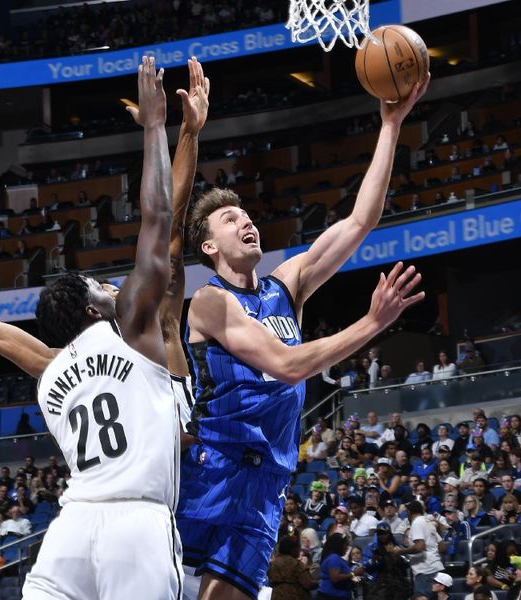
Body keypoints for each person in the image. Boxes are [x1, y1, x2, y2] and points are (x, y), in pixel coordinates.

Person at [0, 56, 182, 600]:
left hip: (73, 525)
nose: (111, 288)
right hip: (139, 520)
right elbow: (157, 220)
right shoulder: (130, 328)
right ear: (91, 310)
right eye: (101, 288)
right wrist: (156, 128)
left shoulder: (51, 365)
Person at [178, 74, 430, 599]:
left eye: (247, 215)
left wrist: (390, 126)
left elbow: (361, 220)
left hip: (266, 487)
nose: (246, 221)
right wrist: (371, 324)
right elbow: (285, 364)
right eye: (230, 219)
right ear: (209, 248)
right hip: (211, 477)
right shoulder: (209, 302)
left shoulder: (286, 285)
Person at [318, 533, 363, 599]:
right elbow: (335, 578)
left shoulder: (336, 558)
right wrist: (354, 573)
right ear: (338, 545)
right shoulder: (334, 558)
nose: (347, 547)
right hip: (331, 596)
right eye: (346, 544)